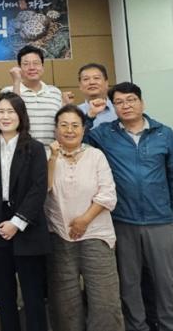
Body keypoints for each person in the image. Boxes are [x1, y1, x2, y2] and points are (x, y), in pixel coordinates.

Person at [84, 82, 173, 331]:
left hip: (161, 221)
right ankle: (137, 326)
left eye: (131, 100)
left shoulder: (164, 134)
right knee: (129, 282)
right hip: (123, 220)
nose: (126, 105)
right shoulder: (105, 133)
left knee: (166, 281)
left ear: (142, 102)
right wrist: (89, 116)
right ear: (113, 107)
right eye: (119, 102)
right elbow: (78, 138)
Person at [0, 92, 50, 331]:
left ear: (20, 116)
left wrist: (16, 223)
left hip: (27, 227)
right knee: (4, 296)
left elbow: (39, 189)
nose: (5, 117)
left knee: (33, 296)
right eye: (0, 112)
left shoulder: (35, 148)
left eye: (10, 112)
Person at [45, 105, 124, 331]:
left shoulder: (95, 155)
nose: (69, 130)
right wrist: (53, 158)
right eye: (64, 125)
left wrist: (84, 220)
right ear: (56, 129)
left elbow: (108, 194)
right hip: (60, 235)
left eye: (75, 125)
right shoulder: (47, 156)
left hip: (96, 235)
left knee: (105, 299)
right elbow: (44, 190)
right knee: (64, 302)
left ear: (83, 129)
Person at [2, 45, 62, 150]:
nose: (32, 67)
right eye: (26, 64)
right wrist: (16, 82)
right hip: (21, 153)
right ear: (19, 68)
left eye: (36, 63)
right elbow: (12, 117)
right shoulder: (8, 92)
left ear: (42, 67)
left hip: (51, 154)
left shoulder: (55, 92)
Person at [72, 63, 117, 129]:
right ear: (80, 86)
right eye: (86, 79)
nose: (92, 82)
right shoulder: (74, 112)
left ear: (106, 83)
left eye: (96, 78)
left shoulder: (119, 108)